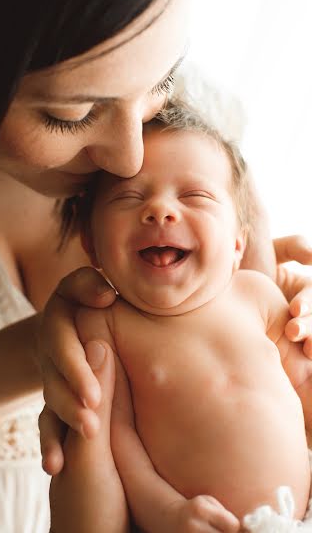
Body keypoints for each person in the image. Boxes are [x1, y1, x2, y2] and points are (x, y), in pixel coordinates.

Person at [0, 0, 312, 532]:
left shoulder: (205, 133)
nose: (129, 158)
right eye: (70, 115)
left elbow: (281, 404)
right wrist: (51, 353)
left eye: (161, 81)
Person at [60, 104, 312, 532]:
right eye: (129, 197)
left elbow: (305, 390)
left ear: (237, 243)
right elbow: (118, 444)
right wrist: (165, 511)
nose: (160, 211)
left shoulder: (258, 297)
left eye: (194, 196)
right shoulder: (106, 325)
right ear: (91, 243)